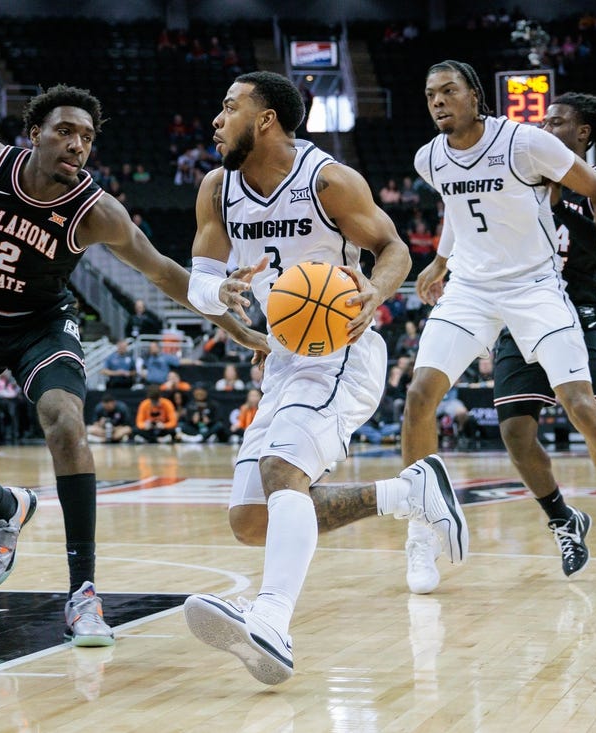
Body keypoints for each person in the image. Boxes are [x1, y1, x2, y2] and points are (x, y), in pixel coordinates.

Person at [0, 83, 265, 646]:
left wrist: (241, 327)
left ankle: (83, 594)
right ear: (34, 134)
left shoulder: (95, 210)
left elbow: (162, 272)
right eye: (64, 131)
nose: (76, 145)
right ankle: (6, 508)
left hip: (42, 323)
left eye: (86, 137)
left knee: (64, 417)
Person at [181, 71, 460, 685]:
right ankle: (409, 495)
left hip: (341, 349)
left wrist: (374, 293)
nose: (216, 120)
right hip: (283, 358)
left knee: (284, 471)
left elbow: (394, 250)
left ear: (266, 119)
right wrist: (224, 302)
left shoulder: (325, 180)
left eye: (229, 107)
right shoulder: (216, 189)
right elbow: (198, 279)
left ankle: (272, 621)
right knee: (251, 520)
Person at [401, 62, 596, 599]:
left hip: (534, 288)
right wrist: (439, 261)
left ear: (475, 96)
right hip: (471, 290)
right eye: (430, 93)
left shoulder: (524, 142)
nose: (438, 101)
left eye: (449, 91)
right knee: (418, 396)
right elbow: (460, 208)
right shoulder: (428, 157)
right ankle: (421, 533)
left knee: (582, 404)